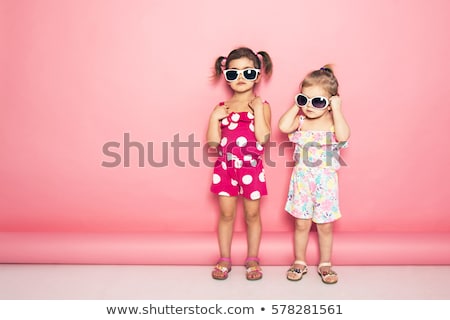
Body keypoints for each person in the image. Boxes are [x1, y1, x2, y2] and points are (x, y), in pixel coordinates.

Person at [278, 65, 350, 284]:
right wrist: (295, 105)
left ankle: (325, 263)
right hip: (302, 181)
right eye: (304, 99)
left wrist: (337, 110)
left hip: (326, 183)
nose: (309, 106)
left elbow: (344, 135)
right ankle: (299, 260)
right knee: (301, 224)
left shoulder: (333, 122)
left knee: (325, 225)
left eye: (317, 102)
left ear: (330, 103)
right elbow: (282, 126)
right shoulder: (300, 122)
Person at [207, 47, 273, 280]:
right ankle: (224, 258)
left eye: (247, 72)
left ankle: (252, 258)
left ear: (257, 73)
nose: (241, 78)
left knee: (252, 216)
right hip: (225, 169)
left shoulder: (261, 105)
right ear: (226, 77)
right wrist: (214, 119)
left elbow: (264, 139)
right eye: (233, 74)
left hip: (251, 169)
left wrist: (256, 110)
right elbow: (213, 143)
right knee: (226, 215)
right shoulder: (222, 108)